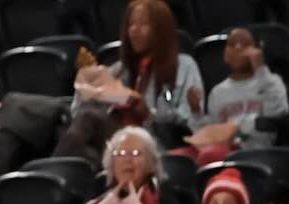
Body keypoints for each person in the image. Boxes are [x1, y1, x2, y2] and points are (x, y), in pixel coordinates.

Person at [59, 1, 204, 161]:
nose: (135, 30)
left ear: (161, 29)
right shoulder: (119, 70)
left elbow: (191, 124)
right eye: (131, 24)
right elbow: (78, 114)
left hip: (156, 143)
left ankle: (52, 169)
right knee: (81, 137)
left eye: (143, 24)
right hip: (117, 140)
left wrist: (149, 114)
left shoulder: (184, 66)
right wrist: (89, 79)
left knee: (85, 145)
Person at [185, 29, 289, 165]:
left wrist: (260, 69)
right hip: (226, 153)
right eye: (232, 44)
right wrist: (195, 111)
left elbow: (277, 111)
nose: (238, 48)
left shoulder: (271, 81)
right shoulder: (218, 93)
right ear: (225, 55)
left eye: (245, 44)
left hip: (261, 152)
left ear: (258, 51)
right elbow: (211, 136)